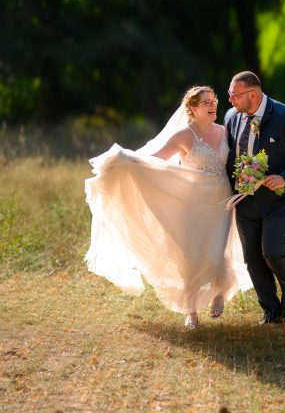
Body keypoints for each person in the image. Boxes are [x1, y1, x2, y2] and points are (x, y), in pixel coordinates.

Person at [85, 86, 251, 330]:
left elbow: (237, 160)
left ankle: (220, 292)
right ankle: (191, 311)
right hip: (193, 202)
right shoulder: (185, 136)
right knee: (190, 254)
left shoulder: (225, 132)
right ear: (193, 108)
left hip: (221, 201)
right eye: (205, 102)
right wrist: (127, 162)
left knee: (218, 249)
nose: (212, 105)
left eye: (213, 101)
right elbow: (156, 159)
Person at [225, 71, 285, 325]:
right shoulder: (231, 117)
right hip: (246, 199)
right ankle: (270, 310)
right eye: (229, 94)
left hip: (282, 198)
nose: (230, 100)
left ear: (252, 94)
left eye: (234, 94)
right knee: (252, 257)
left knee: (273, 251)